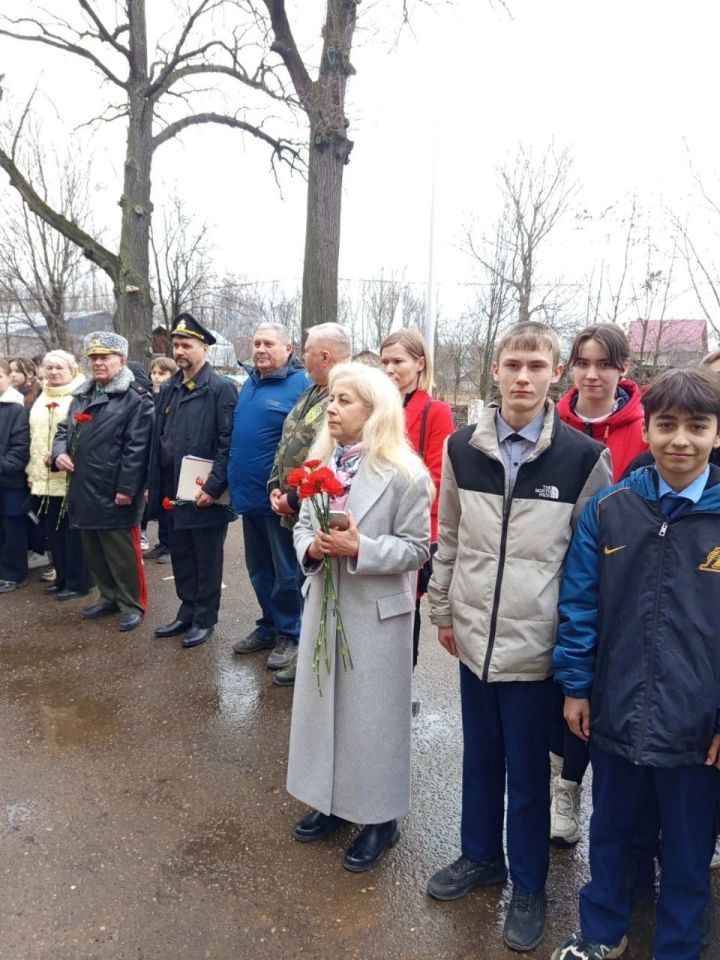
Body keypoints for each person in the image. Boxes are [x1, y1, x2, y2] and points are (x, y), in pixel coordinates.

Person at [426, 322, 612, 952]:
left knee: (529, 773)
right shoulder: (461, 448)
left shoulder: (584, 459)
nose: (524, 377)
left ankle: (529, 885)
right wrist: (443, 610)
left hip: (537, 653)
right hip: (475, 638)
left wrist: (575, 651)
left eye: (537, 365)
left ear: (554, 372)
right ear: (495, 369)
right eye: (513, 364)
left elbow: (592, 566)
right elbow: (450, 536)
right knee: (479, 758)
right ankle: (480, 857)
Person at [551, 367, 720, 960]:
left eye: (696, 427)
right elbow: (578, 604)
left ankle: (678, 943)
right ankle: (601, 930)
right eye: (666, 425)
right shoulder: (611, 509)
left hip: (698, 727)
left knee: (689, 844)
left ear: (716, 434)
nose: (681, 440)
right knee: (612, 833)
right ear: (645, 430)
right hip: (617, 709)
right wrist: (576, 686)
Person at [287, 362, 432, 872]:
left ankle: (379, 818)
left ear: (374, 412)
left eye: (345, 400)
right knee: (325, 708)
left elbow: (417, 549)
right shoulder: (318, 465)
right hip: (325, 600)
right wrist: (312, 550)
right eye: (332, 398)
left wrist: (360, 547)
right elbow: (303, 527)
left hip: (376, 614)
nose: (332, 407)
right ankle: (328, 800)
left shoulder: (407, 476)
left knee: (371, 721)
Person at [550, 323, 648, 846]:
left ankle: (627, 811)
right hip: (553, 577)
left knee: (610, 690)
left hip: (624, 580)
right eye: (583, 363)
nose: (592, 374)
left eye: (604, 364)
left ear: (622, 370)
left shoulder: (644, 427)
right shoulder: (554, 420)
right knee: (565, 686)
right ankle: (564, 787)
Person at [263, 321, 351, 686]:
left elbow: (331, 456)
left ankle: (312, 658)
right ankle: (306, 652)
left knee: (313, 588)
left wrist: (295, 497)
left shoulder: (343, 393)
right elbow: (288, 443)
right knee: (302, 583)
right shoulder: (311, 390)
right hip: (293, 506)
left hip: (314, 507)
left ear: (325, 355)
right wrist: (275, 486)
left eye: (308, 349)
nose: (303, 354)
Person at [52, 332, 153, 632]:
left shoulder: (134, 398)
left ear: (121, 360)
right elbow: (62, 431)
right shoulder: (83, 395)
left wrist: (127, 489)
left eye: (104, 357)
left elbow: (138, 449)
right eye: (93, 357)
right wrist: (59, 453)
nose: (98, 363)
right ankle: (108, 597)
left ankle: (132, 604)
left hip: (114, 490)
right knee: (94, 550)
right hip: (84, 487)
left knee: (122, 554)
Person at [147, 314, 237, 648]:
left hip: (204, 492)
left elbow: (228, 442)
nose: (180, 351)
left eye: (187, 345)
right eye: (177, 345)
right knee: (181, 553)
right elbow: (159, 438)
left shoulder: (220, 389)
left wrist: (214, 487)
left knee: (206, 556)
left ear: (205, 349)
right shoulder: (170, 387)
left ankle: (204, 618)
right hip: (173, 489)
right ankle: (186, 610)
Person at [228, 323, 310, 670]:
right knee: (258, 569)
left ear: (288, 348)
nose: (260, 349)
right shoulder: (250, 383)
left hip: (280, 501)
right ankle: (269, 624)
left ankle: (291, 633)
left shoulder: (301, 385)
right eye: (256, 342)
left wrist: (291, 492)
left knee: (285, 571)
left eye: (269, 343)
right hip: (249, 498)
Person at [380, 328, 454, 671]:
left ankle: (400, 686)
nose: (390, 369)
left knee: (407, 608)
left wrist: (399, 507)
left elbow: (438, 477)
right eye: (385, 362)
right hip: (377, 522)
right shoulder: (377, 407)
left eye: (398, 361)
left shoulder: (435, 411)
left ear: (419, 363)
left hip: (417, 525)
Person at [26, 350, 91, 600]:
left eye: (59, 368)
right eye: (49, 367)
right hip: (44, 476)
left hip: (68, 474)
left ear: (72, 370)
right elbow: (35, 440)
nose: (53, 372)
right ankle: (63, 576)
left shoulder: (79, 395)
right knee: (53, 532)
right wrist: (33, 472)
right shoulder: (42, 397)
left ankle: (78, 581)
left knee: (72, 533)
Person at [142, 356, 178, 563]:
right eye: (154, 373)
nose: (156, 377)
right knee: (160, 504)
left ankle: (171, 546)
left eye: (161, 373)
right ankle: (163, 542)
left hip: (169, 458)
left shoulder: (172, 396)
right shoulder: (151, 396)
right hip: (154, 457)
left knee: (171, 505)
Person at [0, 358, 30, 593]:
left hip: (10, 481)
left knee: (13, 528)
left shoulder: (16, 408)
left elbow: (20, 449)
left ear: (8, 377)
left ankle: (14, 573)